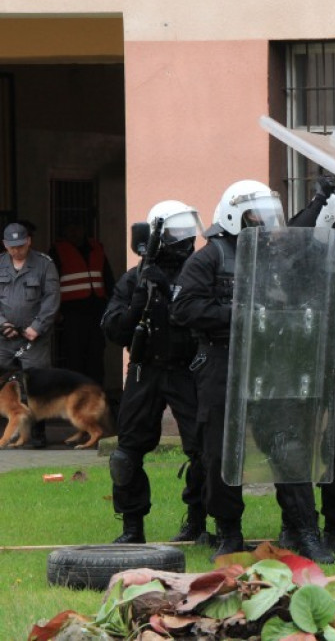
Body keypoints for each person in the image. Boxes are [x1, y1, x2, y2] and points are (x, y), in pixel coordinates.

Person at [171, 179, 334, 563]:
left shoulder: (276, 256)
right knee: (219, 451)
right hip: (221, 363)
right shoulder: (209, 258)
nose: (265, 223)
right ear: (233, 215)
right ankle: (229, 534)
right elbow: (183, 309)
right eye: (257, 215)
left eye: (268, 215)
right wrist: (238, 315)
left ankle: (306, 533)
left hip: (271, 362)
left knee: (288, 447)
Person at [101, 200, 209, 545]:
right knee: (125, 455)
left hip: (186, 370)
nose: (186, 241)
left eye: (188, 233)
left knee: (206, 452)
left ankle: (197, 521)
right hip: (144, 370)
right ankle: (132, 527)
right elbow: (113, 329)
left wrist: (172, 296)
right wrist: (138, 301)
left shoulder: (197, 274)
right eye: (178, 234)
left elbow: (203, 317)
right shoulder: (135, 278)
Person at [286, 175, 335, 553]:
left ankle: (334, 525)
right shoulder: (307, 262)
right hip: (310, 372)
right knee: (294, 451)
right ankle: (298, 526)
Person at [0, 222, 61, 428]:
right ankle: (6, 430)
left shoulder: (44, 264)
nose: (16, 250)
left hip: (33, 336)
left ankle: (37, 435)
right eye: (12, 247)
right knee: (3, 385)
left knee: (36, 385)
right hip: (3, 337)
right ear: (4, 245)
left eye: (20, 246)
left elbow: (51, 299)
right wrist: (2, 324)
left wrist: (38, 326)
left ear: (29, 241)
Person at [50, 218, 115, 385]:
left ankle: (96, 396)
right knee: (74, 357)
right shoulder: (57, 250)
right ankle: (76, 397)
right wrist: (55, 311)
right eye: (69, 228)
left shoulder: (97, 248)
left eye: (77, 227)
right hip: (72, 313)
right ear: (63, 232)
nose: (74, 231)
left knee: (96, 355)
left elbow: (107, 278)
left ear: (84, 229)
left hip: (97, 312)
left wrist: (114, 305)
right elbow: (51, 283)